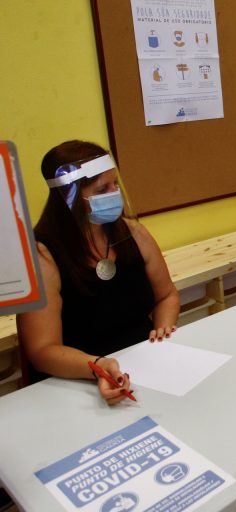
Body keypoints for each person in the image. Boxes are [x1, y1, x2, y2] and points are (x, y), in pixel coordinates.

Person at [16, 140, 180, 405]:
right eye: (103, 189)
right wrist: (99, 367)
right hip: (74, 384)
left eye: (115, 184)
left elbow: (166, 295)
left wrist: (163, 330)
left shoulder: (132, 233)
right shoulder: (42, 256)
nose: (114, 194)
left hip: (143, 370)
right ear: (69, 197)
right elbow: (42, 350)